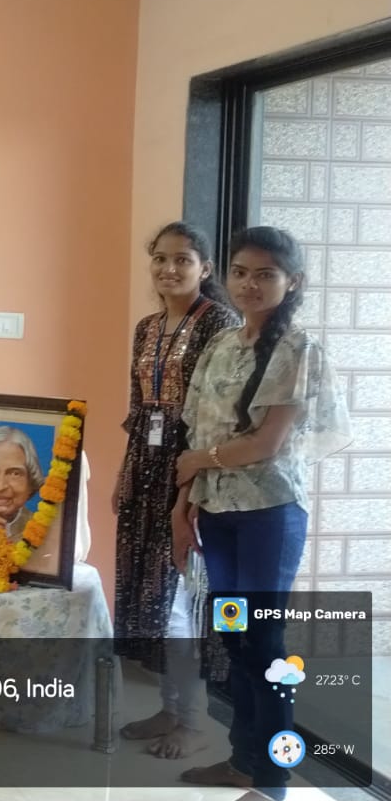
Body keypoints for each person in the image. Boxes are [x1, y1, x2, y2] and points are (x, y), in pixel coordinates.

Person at [175, 226, 350, 801]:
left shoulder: (298, 349)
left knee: (265, 647)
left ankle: (273, 782)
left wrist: (199, 462)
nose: (249, 284)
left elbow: (266, 443)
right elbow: (196, 434)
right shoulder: (222, 346)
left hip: (267, 518)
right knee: (234, 640)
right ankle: (242, 763)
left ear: (292, 282)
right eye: (241, 272)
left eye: (265, 274)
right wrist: (183, 508)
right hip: (218, 516)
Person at [113, 221, 240, 759]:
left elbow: (216, 416)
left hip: (191, 468)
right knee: (152, 596)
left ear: (204, 269)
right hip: (146, 467)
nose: (169, 269)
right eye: (160, 258)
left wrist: (188, 493)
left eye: (183, 259)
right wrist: (124, 474)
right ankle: (169, 708)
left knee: (183, 599)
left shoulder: (221, 324)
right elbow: (138, 408)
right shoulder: (147, 327)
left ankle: (193, 721)